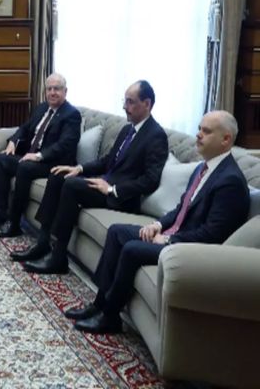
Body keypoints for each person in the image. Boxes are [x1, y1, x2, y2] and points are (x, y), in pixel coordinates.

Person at [66, 110, 249, 334]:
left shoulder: (230, 181)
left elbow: (213, 234)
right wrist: (158, 225)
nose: (198, 135)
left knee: (132, 249)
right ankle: (99, 304)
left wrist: (169, 239)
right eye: (199, 129)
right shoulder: (204, 168)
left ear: (226, 139)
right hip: (173, 234)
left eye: (206, 131)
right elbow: (182, 208)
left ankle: (110, 317)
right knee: (116, 232)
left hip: (189, 249)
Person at [21, 80, 168, 274]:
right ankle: (43, 241)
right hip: (104, 184)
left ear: (147, 104)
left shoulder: (156, 135)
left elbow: (150, 180)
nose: (125, 107)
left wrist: (112, 189)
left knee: (72, 187)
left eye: (130, 102)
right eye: (124, 101)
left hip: (121, 198)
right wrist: (79, 168)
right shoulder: (128, 129)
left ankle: (58, 257)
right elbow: (108, 161)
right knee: (58, 174)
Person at [0, 73, 81, 236]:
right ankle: (0, 213)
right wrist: (13, 141)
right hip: (30, 157)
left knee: (24, 168)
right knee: (1, 160)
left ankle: (14, 223)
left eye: (57, 89)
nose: (52, 93)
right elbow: (24, 128)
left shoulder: (71, 114)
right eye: (49, 89)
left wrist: (39, 156)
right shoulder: (42, 108)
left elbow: (65, 145)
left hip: (52, 163)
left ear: (65, 91)